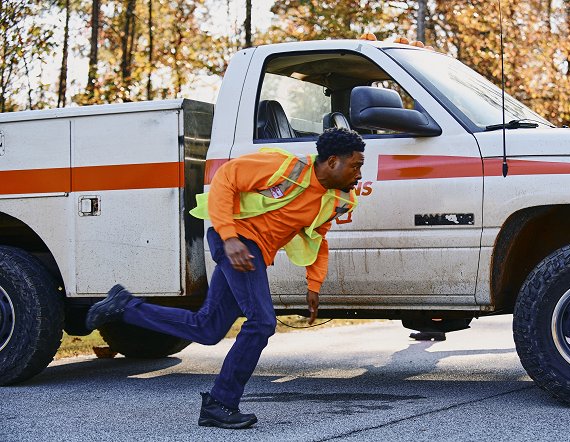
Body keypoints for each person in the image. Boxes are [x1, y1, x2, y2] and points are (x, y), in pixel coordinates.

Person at [85, 127, 365, 430]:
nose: (359, 174)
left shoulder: (333, 199)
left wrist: (314, 285)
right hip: (239, 242)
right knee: (261, 323)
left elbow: (317, 239)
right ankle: (221, 403)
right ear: (333, 161)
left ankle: (124, 307)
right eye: (356, 165)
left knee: (208, 328)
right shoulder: (285, 168)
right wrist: (230, 238)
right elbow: (225, 179)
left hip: (249, 250)